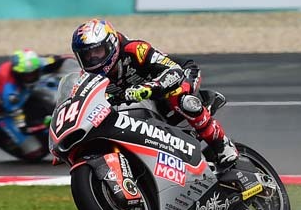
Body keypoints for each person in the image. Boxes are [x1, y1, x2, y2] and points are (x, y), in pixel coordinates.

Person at [71, 19, 239, 168]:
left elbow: (175, 71)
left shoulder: (135, 49)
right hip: (142, 100)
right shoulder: (87, 77)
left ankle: (222, 144)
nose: (93, 59)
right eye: (87, 55)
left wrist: (149, 88)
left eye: (97, 52)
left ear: (111, 44)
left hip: (180, 75)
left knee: (180, 98)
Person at [0, 48, 72, 139]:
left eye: (34, 73)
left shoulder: (36, 63)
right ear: (17, 74)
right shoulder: (11, 96)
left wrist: (68, 59)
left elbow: (57, 59)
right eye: (27, 76)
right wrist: (49, 124)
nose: (31, 77)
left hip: (20, 87)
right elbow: (24, 128)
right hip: (7, 109)